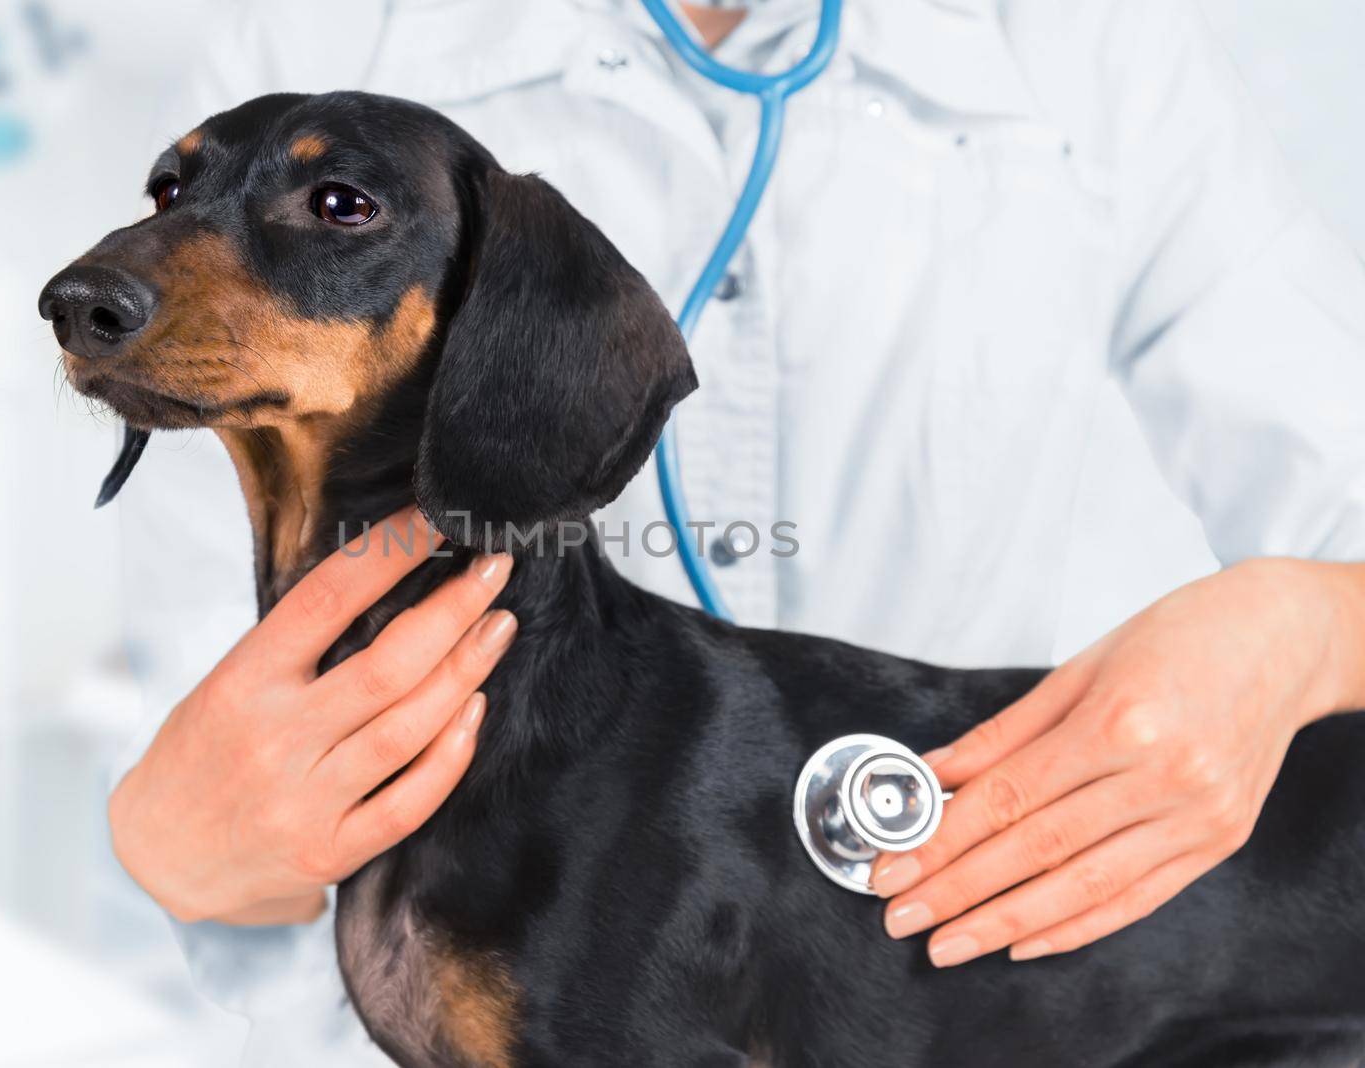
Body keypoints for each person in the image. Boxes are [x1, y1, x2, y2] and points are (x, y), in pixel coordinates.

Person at [105, 0, 1365, 1062]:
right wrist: (172, 850)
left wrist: (1305, 625)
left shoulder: (1087, 44)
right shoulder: (313, 31)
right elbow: (179, 692)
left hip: (1076, 942)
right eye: (172, 192)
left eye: (333, 205)